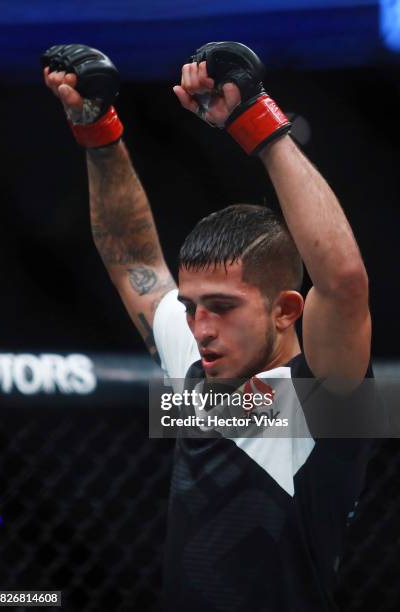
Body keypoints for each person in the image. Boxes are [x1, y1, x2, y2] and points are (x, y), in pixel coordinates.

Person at [43, 43, 373, 611]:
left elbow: (343, 282)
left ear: (286, 310)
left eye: (222, 307)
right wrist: (98, 129)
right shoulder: (197, 370)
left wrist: (258, 123)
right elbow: (136, 262)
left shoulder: (327, 401)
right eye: (193, 307)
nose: (200, 327)